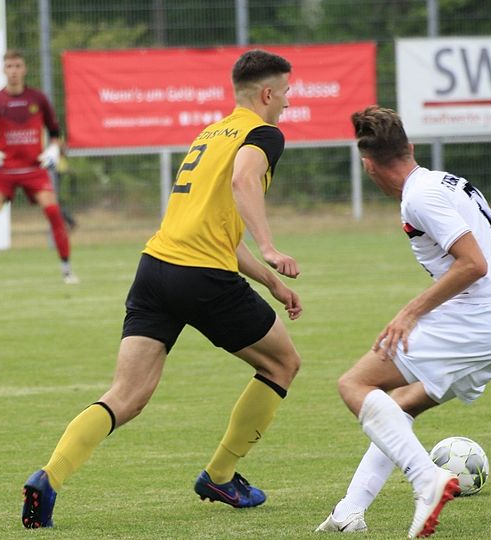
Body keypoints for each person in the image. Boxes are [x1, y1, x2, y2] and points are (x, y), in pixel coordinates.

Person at [20, 49, 304, 529]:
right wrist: (271, 246)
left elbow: (219, 231)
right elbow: (244, 180)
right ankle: (220, 475)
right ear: (267, 93)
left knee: (127, 395)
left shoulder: (210, 134)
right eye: (287, 94)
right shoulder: (263, 134)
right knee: (283, 363)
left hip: (154, 269)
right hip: (203, 277)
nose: (288, 104)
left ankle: (48, 478)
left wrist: (272, 281)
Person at [316, 106, 491, 538]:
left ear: (368, 166)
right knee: (398, 407)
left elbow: (473, 264)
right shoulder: (441, 181)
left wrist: (410, 312)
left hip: (481, 319)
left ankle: (426, 480)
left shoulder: (420, 197)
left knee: (355, 385)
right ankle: (349, 512)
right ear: (410, 147)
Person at [0, 49, 77, 287]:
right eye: (9, 66)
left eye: (18, 66)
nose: (13, 71)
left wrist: (54, 150)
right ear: (4, 70)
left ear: (25, 69)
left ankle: (67, 270)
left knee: (54, 214)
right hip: (4, 171)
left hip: (34, 169)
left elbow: (56, 134)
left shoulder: (38, 99)